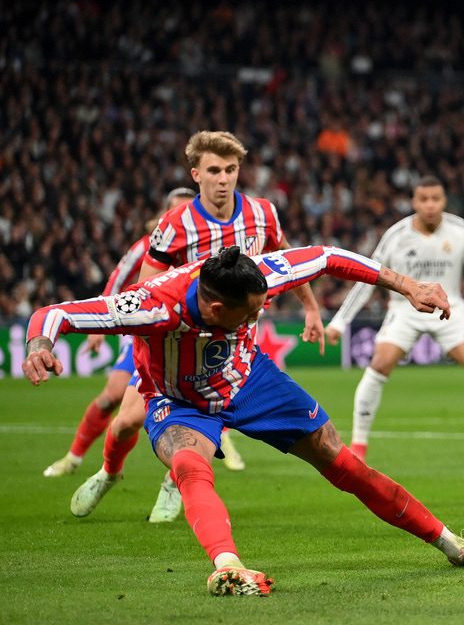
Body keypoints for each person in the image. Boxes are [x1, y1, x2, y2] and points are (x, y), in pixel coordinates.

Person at [22, 245, 464, 596]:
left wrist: (407, 285)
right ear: (215, 307)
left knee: (341, 461)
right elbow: (55, 313)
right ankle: (228, 566)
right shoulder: (151, 306)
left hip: (251, 381)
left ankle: (455, 547)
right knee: (190, 466)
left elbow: (328, 258)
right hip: (180, 400)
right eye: (247, 315)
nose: (254, 318)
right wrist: (40, 345)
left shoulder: (257, 274)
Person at [67, 131, 326, 521]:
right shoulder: (175, 225)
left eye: (231, 170)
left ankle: (175, 482)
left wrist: (310, 307)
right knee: (127, 422)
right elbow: (145, 290)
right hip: (172, 346)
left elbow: (288, 259)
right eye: (214, 170)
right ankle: (109, 472)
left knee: (214, 412)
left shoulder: (263, 214)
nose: (223, 179)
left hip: (229, 348)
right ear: (196, 174)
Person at [324, 176, 464, 462]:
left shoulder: (462, 232)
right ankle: (359, 444)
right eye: (424, 199)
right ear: (414, 201)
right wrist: (339, 322)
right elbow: (366, 278)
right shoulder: (396, 235)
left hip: (451, 309)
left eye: (436, 198)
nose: (430, 205)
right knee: (380, 364)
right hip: (404, 309)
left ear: (444, 200)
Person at [42, 187, 195, 479]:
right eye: (174, 210)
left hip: (190, 337)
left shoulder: (206, 244)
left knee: (180, 409)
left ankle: (174, 483)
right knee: (112, 396)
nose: (180, 216)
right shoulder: (149, 244)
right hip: (147, 333)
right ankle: (75, 459)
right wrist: (99, 327)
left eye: (186, 210)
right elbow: (118, 277)